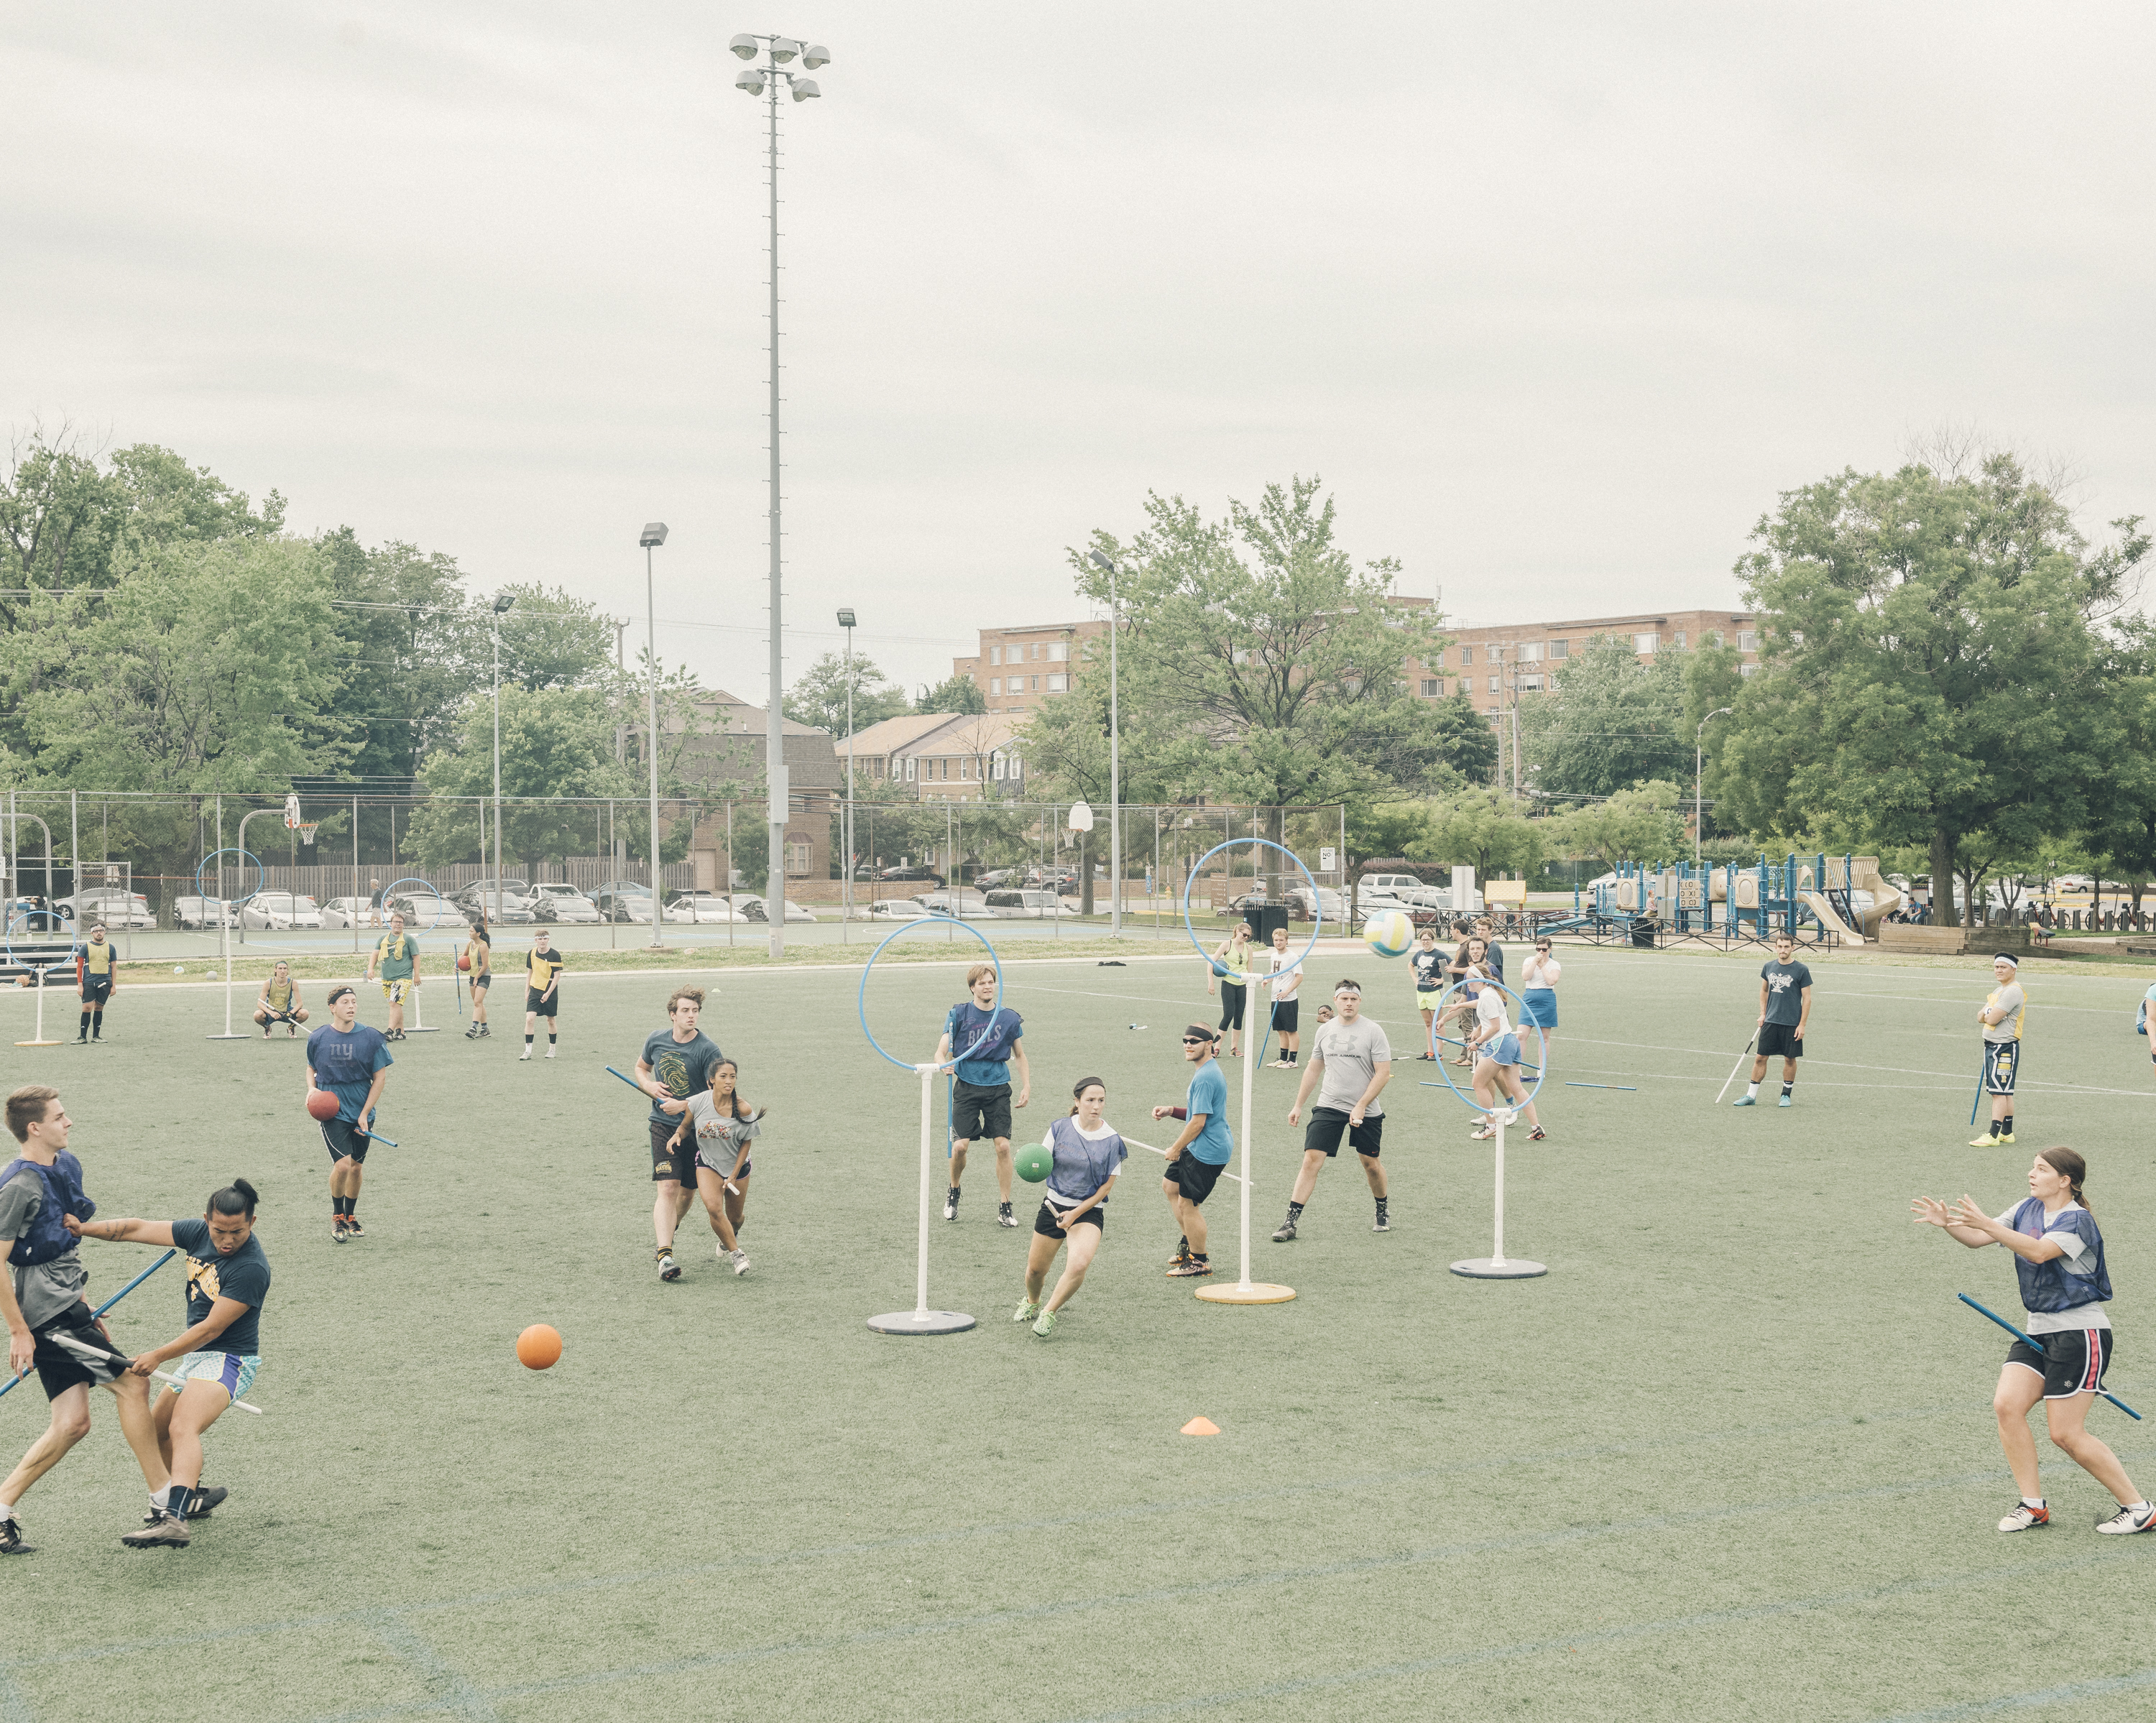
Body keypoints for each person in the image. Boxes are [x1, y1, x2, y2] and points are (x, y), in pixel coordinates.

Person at [1912, 1149, 2152, 1535]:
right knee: (2007, 1406)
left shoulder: (2078, 1220)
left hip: (2080, 1333)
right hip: (2037, 1329)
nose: (2031, 1174)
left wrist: (1989, 1224)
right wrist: (1948, 1225)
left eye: (2042, 1169)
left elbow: (2040, 1253)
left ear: (2065, 1181)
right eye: (2033, 1167)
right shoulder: (2027, 1208)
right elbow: (1977, 1238)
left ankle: (2139, 1508)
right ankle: (2033, 1505)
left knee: (2065, 1434)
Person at [0, 1086, 174, 1556]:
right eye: (59, 1117)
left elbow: (64, 1243)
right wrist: (20, 1332)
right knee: (133, 1384)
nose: (69, 1122)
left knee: (73, 1423)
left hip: (66, 1302)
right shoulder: (17, 1185)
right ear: (34, 1128)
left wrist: (85, 1304)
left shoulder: (67, 1166)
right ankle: (165, 1504)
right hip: (43, 1310)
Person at [68, 1177, 272, 1548]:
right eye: (219, 1230)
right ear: (206, 1219)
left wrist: (158, 1355)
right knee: (157, 1431)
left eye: (237, 1232)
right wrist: (84, 1229)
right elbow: (137, 1228)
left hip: (229, 1359)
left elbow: (211, 1330)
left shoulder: (251, 1268)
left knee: (182, 1427)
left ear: (252, 1224)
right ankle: (190, 1499)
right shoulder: (196, 1234)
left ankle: (173, 1520)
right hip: (196, 1361)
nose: (227, 1241)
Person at [1277, 979, 1393, 1241]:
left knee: (1370, 1165)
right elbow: (1313, 1069)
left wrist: (1361, 1105)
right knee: (1310, 1160)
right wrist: (1298, 1105)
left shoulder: (1373, 1031)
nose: (1349, 1003)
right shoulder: (1325, 1030)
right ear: (1336, 1000)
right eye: (1344, 999)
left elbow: (1383, 1074)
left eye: (1353, 999)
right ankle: (1290, 1223)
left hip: (1366, 1108)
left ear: (1359, 1001)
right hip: (1329, 1104)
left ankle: (1382, 1210)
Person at [1015, 1077, 1125, 1337]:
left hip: (1087, 1212)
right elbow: (1040, 1161)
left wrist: (1075, 1213)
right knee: (1035, 1271)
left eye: (1101, 1101)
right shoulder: (1059, 1128)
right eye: (1090, 1100)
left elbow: (1106, 1188)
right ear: (1077, 1102)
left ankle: (1049, 1312)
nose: (1096, 1106)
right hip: (1053, 1207)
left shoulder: (1112, 1140)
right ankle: (1033, 1302)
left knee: (1078, 1265)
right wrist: (1029, 1166)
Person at [634, 987, 724, 1282]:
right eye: (685, 1011)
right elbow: (640, 1068)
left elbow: (720, 1095)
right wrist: (648, 1086)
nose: (691, 1016)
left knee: (687, 1193)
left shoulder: (708, 1050)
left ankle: (669, 1228)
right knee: (668, 1188)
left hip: (697, 1129)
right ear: (673, 1015)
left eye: (695, 1011)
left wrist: (683, 1104)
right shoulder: (655, 1040)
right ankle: (665, 1255)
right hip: (661, 1124)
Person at [935, 964, 1029, 1227]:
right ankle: (954, 1190)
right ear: (972, 988)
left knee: (1003, 1146)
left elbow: (1020, 1055)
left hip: (998, 1087)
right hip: (966, 1086)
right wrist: (943, 1064)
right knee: (960, 1146)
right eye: (982, 983)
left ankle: (1005, 1206)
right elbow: (941, 1052)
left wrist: (1026, 1086)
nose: (988, 986)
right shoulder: (959, 1014)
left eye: (991, 982)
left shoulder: (1008, 1018)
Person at [305, 985, 392, 1242]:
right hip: (331, 1113)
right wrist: (312, 1090)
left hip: (362, 1112)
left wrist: (365, 1112)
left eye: (354, 1001)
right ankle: (337, 1217)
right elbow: (311, 1068)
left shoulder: (371, 1038)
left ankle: (351, 1216)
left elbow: (380, 1078)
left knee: (356, 1168)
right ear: (333, 1007)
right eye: (345, 1002)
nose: (351, 1006)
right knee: (342, 1165)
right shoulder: (318, 1037)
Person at [664, 1058, 758, 1275]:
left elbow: (747, 1142)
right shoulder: (698, 1102)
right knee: (714, 1209)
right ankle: (737, 1255)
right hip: (708, 1164)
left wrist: (733, 1176)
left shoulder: (743, 1108)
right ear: (711, 1081)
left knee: (734, 1218)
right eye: (723, 1076)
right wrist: (676, 1136)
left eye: (732, 1076)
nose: (728, 1081)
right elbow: (686, 1126)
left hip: (737, 1167)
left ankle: (730, 1236)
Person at [1153, 1025, 1232, 1278]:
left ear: (1209, 1044)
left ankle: (1200, 1261)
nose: (1188, 1045)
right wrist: (1171, 1110)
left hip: (1208, 1151)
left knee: (1189, 1204)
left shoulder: (1207, 1077)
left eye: (1195, 1041)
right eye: (1185, 1040)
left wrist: (1176, 1148)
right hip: (1199, 1144)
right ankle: (1189, 1244)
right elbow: (1200, 1112)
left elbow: (1199, 1123)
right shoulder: (1204, 1072)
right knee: (1170, 1186)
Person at [1465, 962, 1546, 1140]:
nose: (1466, 983)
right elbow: (1483, 1008)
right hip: (1510, 1042)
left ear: (1479, 979)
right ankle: (1536, 1127)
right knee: (1516, 1087)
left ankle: (1491, 1126)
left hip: (1499, 1043)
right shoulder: (1488, 994)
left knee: (1478, 1083)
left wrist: (1477, 1043)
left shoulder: (1487, 995)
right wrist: (1458, 1007)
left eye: (1469, 979)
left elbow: (1495, 1027)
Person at [1735, 931, 1812, 1108]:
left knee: (1789, 1059)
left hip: (1791, 1023)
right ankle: (1750, 1096)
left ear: (1793, 948)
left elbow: (1807, 998)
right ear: (1775, 948)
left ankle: (1786, 1095)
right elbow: (1764, 990)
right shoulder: (1768, 967)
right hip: (1771, 1021)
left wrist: (1802, 1024)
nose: (1783, 950)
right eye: (1780, 946)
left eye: (1787, 947)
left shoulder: (1801, 970)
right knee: (1761, 1057)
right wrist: (1763, 1013)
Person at [1972, 953, 2025, 1147]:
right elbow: (1980, 1016)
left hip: (2003, 1048)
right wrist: (1989, 1012)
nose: (1999, 971)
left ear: (2013, 970)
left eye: (2003, 967)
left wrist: (1989, 1013)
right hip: (1993, 1047)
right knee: (2004, 1092)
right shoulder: (1999, 991)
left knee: (1998, 1092)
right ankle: (2007, 1132)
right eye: (1996, 967)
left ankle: (1993, 1134)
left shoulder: (2012, 992)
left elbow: (1992, 1019)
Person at [364, 910, 422, 1042]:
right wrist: (370, 969)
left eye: (401, 923)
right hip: (387, 978)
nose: (398, 925)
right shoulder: (383, 938)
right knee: (395, 1005)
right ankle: (401, 1032)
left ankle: (389, 1031)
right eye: (396, 922)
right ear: (391, 923)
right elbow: (375, 954)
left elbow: (416, 957)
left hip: (403, 977)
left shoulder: (408, 939)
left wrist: (416, 975)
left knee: (395, 1003)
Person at [1207, 921, 1254, 1059]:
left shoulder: (1249, 949)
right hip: (1228, 983)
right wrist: (1211, 983)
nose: (1245, 938)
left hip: (1242, 986)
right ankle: (1216, 1048)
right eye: (1244, 934)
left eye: (1248, 936)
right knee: (1228, 1015)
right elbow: (1211, 962)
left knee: (1239, 1017)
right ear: (1237, 932)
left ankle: (1234, 1049)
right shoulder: (1227, 945)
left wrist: (1250, 985)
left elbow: (1250, 969)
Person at [521, 928, 566, 1061]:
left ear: (548, 940)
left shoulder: (554, 955)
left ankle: (552, 1049)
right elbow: (530, 972)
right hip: (535, 989)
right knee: (529, 1019)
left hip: (549, 990)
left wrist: (548, 993)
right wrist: (527, 990)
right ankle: (527, 1051)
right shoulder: (532, 953)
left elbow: (557, 976)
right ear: (535, 940)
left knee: (550, 1020)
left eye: (545, 938)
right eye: (540, 939)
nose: (542, 941)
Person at [1266, 925, 1304, 1069]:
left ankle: (1293, 1060)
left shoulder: (1293, 957)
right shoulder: (1273, 956)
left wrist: (1287, 991)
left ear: (1287, 941)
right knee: (1281, 1030)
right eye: (1276, 940)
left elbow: (1299, 977)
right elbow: (1274, 972)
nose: (1278, 943)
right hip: (1275, 998)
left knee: (1291, 1030)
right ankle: (1283, 1059)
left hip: (1288, 1000)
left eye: (1281, 940)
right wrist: (1267, 980)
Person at [1519, 937, 1561, 1063]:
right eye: (1538, 949)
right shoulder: (1528, 960)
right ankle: (1517, 1066)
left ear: (1550, 949)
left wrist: (1542, 966)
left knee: (1544, 1037)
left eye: (1544, 949)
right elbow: (1526, 977)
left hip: (1546, 1000)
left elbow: (1551, 981)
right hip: (1529, 998)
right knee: (1521, 1035)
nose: (1541, 952)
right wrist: (1534, 963)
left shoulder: (1555, 964)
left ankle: (1541, 1068)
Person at [1409, 923, 1447, 1059]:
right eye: (1423, 940)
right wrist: (1415, 978)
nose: (1425, 942)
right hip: (1421, 991)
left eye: (1428, 940)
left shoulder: (1439, 954)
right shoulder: (1419, 954)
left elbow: (1452, 967)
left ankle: (1439, 1052)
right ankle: (1430, 1051)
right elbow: (1410, 965)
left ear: (1433, 940)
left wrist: (1441, 980)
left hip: (1435, 992)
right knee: (1428, 1023)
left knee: (1437, 1022)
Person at [75, 923, 115, 1045]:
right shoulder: (85, 947)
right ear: (91, 933)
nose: (99, 933)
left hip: (105, 982)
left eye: (101, 930)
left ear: (104, 932)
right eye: (96, 931)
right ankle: (82, 1037)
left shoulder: (111, 947)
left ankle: (96, 1036)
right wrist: (80, 984)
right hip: (89, 982)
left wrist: (113, 985)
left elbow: (113, 967)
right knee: (87, 1008)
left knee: (99, 1007)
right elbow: (79, 967)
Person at [251, 961, 308, 1039]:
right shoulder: (268, 983)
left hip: (286, 1011)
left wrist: (291, 1012)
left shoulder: (293, 983)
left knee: (304, 1013)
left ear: (287, 970)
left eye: (285, 968)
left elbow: (300, 1003)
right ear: (275, 970)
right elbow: (260, 1003)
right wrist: (271, 1012)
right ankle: (267, 1028)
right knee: (257, 1015)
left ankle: (291, 1027)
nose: (283, 971)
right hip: (271, 1012)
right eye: (280, 968)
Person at [462, 908, 493, 1040]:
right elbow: (464, 956)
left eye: (471, 931)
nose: (469, 933)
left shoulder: (483, 946)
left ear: (478, 933)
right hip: (473, 974)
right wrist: (457, 965)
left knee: (477, 1002)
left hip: (483, 975)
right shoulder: (470, 943)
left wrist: (476, 978)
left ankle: (473, 1028)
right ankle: (485, 1029)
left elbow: (485, 965)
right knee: (478, 1003)